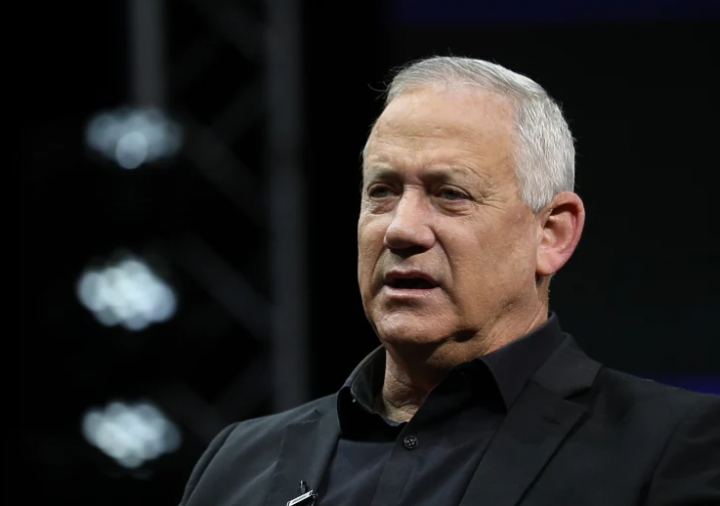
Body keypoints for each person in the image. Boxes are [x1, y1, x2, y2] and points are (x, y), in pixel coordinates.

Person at [178, 56, 720, 506]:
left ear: (551, 233)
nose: (401, 229)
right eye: (382, 191)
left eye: (450, 194)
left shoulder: (675, 447)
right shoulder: (238, 462)